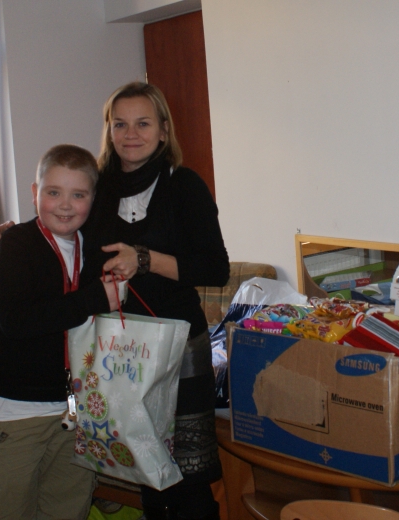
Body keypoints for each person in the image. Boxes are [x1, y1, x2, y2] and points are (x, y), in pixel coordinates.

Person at [89, 81, 230, 520]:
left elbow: (215, 269)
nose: (131, 134)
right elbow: (63, 229)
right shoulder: (96, 189)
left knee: (189, 479)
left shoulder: (184, 185)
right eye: (120, 124)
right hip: (122, 351)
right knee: (147, 471)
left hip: (180, 350)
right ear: (109, 132)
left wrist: (143, 259)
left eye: (143, 123)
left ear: (164, 131)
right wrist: (11, 237)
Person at [0, 144, 121, 520]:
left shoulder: (96, 248)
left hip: (75, 408)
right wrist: (93, 298)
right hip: (13, 410)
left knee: (68, 509)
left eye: (79, 195)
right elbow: (18, 322)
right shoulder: (14, 245)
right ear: (34, 192)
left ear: (93, 198)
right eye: (53, 192)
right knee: (10, 512)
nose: (65, 205)